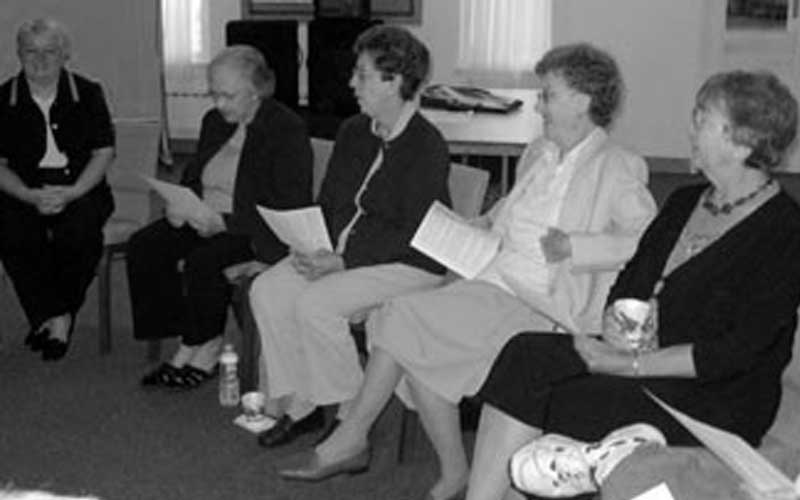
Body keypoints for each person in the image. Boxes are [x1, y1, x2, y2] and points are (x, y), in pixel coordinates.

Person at [281, 43, 657, 500]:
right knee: (408, 337)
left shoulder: (616, 166)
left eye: (549, 95)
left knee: (400, 321)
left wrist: (577, 247)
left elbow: (649, 240)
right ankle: (451, 469)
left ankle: (353, 435)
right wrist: (472, 227)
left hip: (540, 300)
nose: (539, 105)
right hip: (493, 276)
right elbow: (511, 212)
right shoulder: (539, 152)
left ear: (582, 101)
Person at [465, 69, 800, 500]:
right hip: (637, 356)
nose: (690, 129)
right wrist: (616, 321)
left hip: (715, 397)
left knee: (561, 396)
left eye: (702, 119)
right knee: (525, 354)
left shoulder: (785, 231)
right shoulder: (684, 200)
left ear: (743, 142)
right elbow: (631, 281)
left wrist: (625, 363)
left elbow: (734, 353)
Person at [248, 25, 451, 448]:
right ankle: (301, 404)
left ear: (393, 81)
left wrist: (342, 261)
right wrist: (307, 240)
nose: (350, 83)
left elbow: (413, 231)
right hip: (343, 253)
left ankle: (348, 419)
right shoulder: (355, 131)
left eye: (361, 74)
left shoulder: (426, 145)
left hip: (408, 262)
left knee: (316, 304)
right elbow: (330, 201)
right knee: (267, 290)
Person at [128, 45, 312, 389]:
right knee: (145, 246)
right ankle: (191, 333)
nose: (219, 104)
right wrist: (180, 204)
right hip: (205, 214)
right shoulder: (214, 122)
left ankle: (203, 346)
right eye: (214, 94)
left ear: (257, 90)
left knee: (204, 261)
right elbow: (195, 175)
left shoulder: (286, 130)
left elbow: (288, 205)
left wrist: (225, 223)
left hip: (252, 227)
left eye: (228, 95)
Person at [0, 18, 115, 361]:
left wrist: (73, 192)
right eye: (30, 52)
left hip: (81, 187)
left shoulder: (88, 92)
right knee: (12, 232)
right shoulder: (2, 98)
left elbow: (103, 153)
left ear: (65, 54)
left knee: (80, 234)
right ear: (18, 55)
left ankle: (55, 316)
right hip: (23, 188)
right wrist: (28, 195)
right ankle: (55, 316)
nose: (40, 60)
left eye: (50, 51)